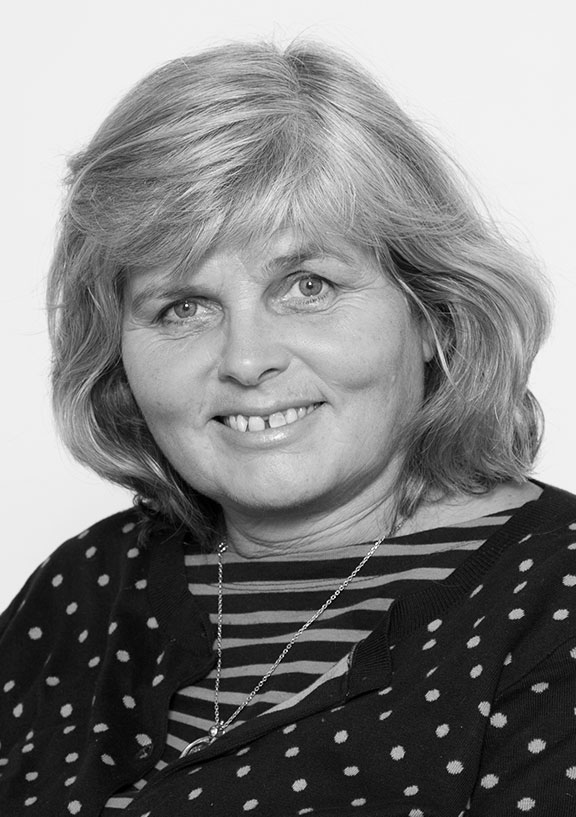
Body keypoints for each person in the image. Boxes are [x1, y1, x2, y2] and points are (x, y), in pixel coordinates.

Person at [1, 39, 575, 817]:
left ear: (433, 310)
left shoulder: (554, 598)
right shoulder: (83, 586)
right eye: (183, 306)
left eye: (308, 286)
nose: (246, 359)